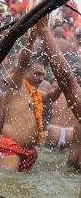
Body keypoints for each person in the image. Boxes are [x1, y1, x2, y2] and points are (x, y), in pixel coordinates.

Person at [0, 30, 61, 172]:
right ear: (25, 73)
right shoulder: (16, 87)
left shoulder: (36, 94)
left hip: (29, 151)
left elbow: (51, 97)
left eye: (43, 75)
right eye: (37, 74)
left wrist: (62, 83)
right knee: (7, 186)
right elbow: (22, 63)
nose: (41, 78)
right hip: (11, 148)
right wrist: (30, 41)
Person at [34, 17, 81, 171]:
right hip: (69, 133)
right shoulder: (68, 45)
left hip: (53, 130)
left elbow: (67, 79)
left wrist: (45, 32)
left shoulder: (50, 86)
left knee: (57, 166)